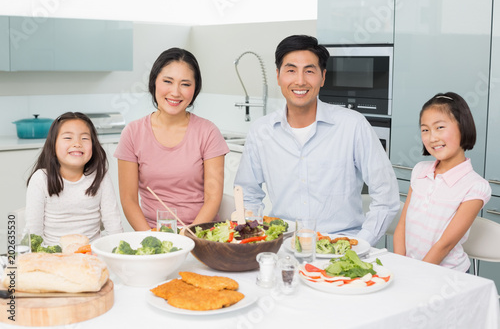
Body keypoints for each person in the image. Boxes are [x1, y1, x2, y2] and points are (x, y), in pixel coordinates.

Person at [234, 35, 400, 246]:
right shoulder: (261, 131)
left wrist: (361, 243)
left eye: (309, 71)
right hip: (283, 245)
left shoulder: (353, 126)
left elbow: (386, 197)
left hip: (340, 245)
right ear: (278, 76)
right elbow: (247, 194)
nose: (300, 81)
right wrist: (254, 237)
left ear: (322, 77)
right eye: (291, 70)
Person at [114, 48, 229, 230]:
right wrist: (151, 238)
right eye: (168, 81)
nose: (175, 92)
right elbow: (129, 200)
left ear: (195, 89)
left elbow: (213, 198)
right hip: (153, 232)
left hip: (201, 234)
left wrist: (188, 237)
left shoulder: (208, 132)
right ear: (154, 82)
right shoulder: (132, 133)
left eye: (185, 84)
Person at [394, 92, 491, 272]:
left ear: (462, 127)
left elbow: (445, 245)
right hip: (409, 269)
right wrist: (401, 267)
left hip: (446, 275)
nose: (432, 138)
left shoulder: (475, 186)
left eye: (440, 127)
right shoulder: (420, 170)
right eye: (425, 130)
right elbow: (402, 225)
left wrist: (414, 274)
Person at [25, 112, 123, 245]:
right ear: (53, 146)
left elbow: (114, 224)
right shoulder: (41, 179)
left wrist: (117, 252)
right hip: (53, 257)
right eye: (68, 138)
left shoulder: (100, 176)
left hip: (91, 256)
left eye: (84, 138)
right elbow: (33, 235)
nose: (77, 143)